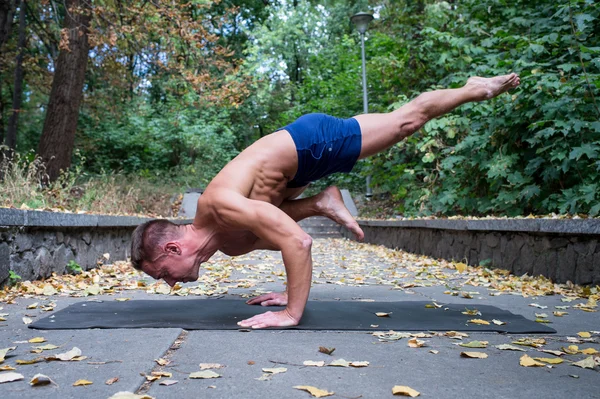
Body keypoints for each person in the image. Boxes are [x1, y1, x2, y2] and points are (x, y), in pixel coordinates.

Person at [130, 73, 521, 329]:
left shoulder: (218, 207)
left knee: (407, 121)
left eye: (161, 272)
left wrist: (290, 313)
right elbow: (278, 226)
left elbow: (298, 241)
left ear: (173, 246)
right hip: (299, 169)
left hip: (309, 143)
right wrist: (289, 289)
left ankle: (474, 88)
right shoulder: (226, 241)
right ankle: (322, 201)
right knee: (250, 239)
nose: (169, 283)